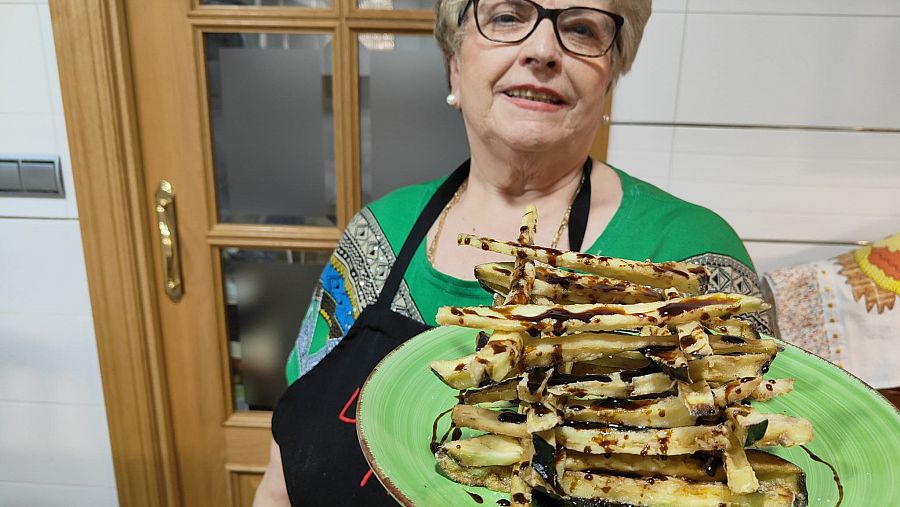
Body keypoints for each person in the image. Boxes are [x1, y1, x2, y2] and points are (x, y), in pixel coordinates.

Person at [253, 0, 768, 504]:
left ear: (610, 77)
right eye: (506, 16)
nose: (542, 50)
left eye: (582, 28)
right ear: (455, 66)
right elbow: (283, 473)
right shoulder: (378, 233)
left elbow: (756, 471)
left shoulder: (692, 257)